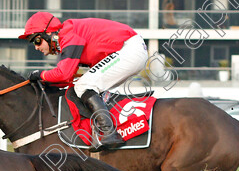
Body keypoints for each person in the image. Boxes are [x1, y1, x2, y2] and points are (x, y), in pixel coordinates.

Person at [19, 11, 149, 151]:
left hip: (129, 50)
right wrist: (45, 81)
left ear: (49, 33)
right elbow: (67, 78)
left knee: (84, 85)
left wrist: (39, 75)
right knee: (84, 84)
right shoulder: (66, 38)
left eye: (37, 41)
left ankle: (109, 133)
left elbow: (63, 74)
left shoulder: (68, 36)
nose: (36, 47)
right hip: (130, 50)